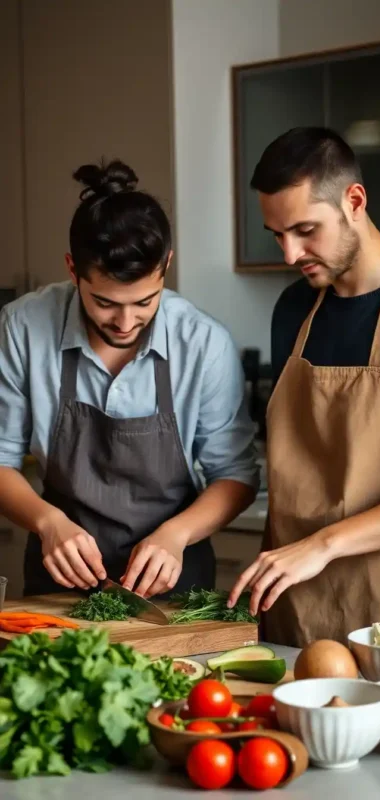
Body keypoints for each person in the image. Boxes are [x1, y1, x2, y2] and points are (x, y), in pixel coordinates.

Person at [228, 127, 380, 644]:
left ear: (354, 201)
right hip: (296, 605)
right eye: (277, 235)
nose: (290, 254)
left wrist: (323, 545)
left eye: (305, 230)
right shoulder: (294, 309)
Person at [0, 159, 259, 598]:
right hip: (58, 580)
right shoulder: (22, 327)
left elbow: (236, 475)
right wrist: (48, 522)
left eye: (145, 302)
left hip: (174, 585)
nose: (125, 322)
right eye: (104, 303)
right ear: (72, 269)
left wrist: (176, 534)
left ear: (166, 265)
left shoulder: (203, 343)